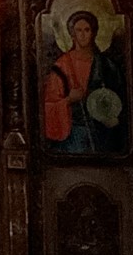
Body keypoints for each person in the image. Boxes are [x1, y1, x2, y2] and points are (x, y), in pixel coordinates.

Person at [42, 10, 125, 154]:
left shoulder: (106, 65)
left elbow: (120, 98)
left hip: (103, 133)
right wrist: (69, 100)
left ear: (94, 33)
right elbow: (48, 105)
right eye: (78, 30)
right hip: (74, 134)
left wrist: (111, 115)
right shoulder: (62, 66)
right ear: (72, 34)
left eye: (87, 30)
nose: (82, 34)